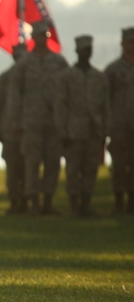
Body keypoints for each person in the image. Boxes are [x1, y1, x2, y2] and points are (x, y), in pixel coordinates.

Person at [6, 20, 69, 215]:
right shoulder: (24, 64)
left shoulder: (59, 62)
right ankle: (33, 202)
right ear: (33, 38)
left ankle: (48, 201)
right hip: (31, 123)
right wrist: (15, 121)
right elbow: (15, 95)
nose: (42, 39)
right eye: (39, 35)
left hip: (54, 122)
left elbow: (68, 93)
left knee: (52, 162)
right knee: (32, 163)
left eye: (45, 35)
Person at [55, 35, 110, 216]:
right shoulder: (67, 77)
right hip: (74, 131)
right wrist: (62, 131)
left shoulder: (99, 77)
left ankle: (86, 204)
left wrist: (105, 130)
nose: (87, 52)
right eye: (84, 49)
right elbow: (61, 106)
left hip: (93, 131)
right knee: (73, 169)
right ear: (77, 51)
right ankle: (74, 206)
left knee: (90, 168)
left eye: (89, 49)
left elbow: (105, 106)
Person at [0, 43, 28, 214]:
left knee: (29, 170)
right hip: (10, 133)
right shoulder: (5, 78)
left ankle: (27, 202)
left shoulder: (33, 78)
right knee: (12, 172)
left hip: (29, 133)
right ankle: (14, 203)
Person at [104, 26, 134, 215]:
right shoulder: (112, 70)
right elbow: (104, 100)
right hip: (119, 126)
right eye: (129, 41)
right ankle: (118, 202)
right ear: (122, 43)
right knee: (119, 166)